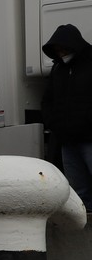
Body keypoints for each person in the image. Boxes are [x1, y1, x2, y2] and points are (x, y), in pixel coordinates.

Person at [42, 24, 92, 207]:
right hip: (67, 140)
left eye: (63, 49)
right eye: (57, 50)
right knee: (78, 190)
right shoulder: (58, 68)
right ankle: (84, 220)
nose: (61, 53)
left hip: (88, 137)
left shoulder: (88, 64)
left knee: (81, 187)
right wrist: (52, 123)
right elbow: (48, 99)